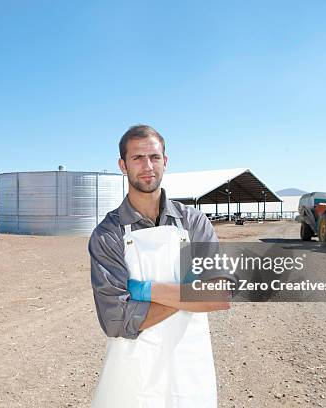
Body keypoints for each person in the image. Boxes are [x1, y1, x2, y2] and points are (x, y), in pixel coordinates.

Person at [88, 124, 233, 408]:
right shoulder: (108, 235)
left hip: (189, 371)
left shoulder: (193, 223)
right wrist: (192, 295)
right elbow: (116, 321)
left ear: (165, 161)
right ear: (122, 165)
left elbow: (220, 294)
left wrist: (145, 291)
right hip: (132, 379)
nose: (147, 166)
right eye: (137, 158)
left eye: (154, 157)